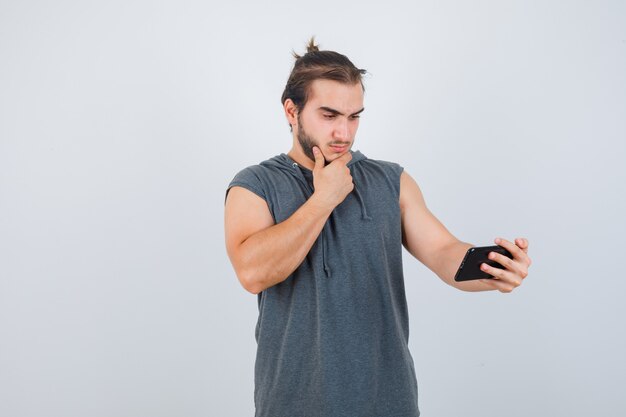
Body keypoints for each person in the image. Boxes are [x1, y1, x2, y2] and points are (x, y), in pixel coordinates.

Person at [224, 38, 532, 417]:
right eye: (329, 115)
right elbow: (252, 272)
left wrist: (493, 268)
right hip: (293, 404)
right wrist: (324, 199)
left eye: (354, 117)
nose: (344, 132)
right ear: (292, 110)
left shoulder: (391, 181)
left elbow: (443, 252)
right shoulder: (254, 185)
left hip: (388, 402)